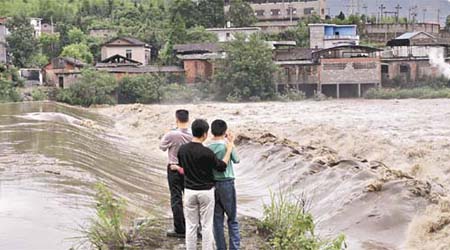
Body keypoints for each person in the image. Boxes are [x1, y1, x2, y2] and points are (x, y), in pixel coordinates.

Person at [177, 119, 235, 250]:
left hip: (189, 191)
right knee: (206, 225)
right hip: (206, 192)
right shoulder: (207, 152)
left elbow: (181, 166)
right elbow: (221, 167)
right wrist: (229, 149)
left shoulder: (182, 150)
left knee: (191, 226)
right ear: (204, 133)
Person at [208, 120, 240, 250]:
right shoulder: (227, 146)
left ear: (211, 131)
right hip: (227, 183)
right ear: (225, 132)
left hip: (213, 185)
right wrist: (231, 143)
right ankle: (234, 248)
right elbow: (237, 160)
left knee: (217, 220)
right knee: (232, 218)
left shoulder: (208, 147)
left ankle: (221, 248)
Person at [160, 109, 193, 238]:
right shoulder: (192, 134)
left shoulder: (171, 134)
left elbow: (162, 147)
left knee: (176, 198)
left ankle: (179, 229)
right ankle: (194, 227)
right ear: (188, 119)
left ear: (176, 119)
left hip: (174, 168)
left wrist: (167, 134)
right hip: (189, 169)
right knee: (191, 198)